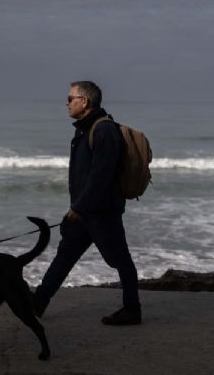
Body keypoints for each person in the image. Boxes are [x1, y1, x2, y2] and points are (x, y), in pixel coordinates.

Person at [33, 80, 141, 325]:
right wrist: (78, 208)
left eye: (71, 98)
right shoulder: (84, 129)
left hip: (102, 212)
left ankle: (132, 310)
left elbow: (100, 176)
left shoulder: (103, 130)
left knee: (120, 260)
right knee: (65, 256)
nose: (67, 102)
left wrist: (78, 208)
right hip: (84, 211)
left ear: (85, 102)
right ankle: (37, 302)